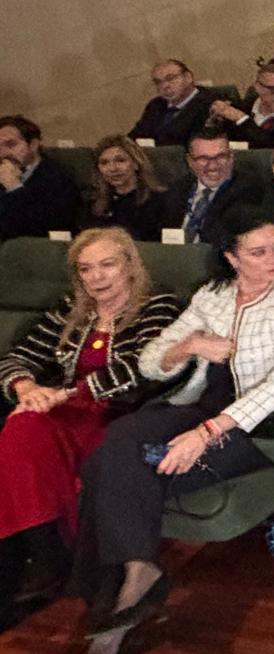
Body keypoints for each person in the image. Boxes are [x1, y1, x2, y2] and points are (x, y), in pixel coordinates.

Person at [66, 211, 274, 654]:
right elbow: (150, 361)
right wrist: (191, 345)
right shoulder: (213, 295)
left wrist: (207, 433)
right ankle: (136, 575)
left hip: (254, 423)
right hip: (198, 405)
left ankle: (108, 606)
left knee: (116, 469)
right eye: (258, 251)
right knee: (115, 442)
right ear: (231, 257)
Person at [0, 230, 180, 602]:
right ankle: (47, 551)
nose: (96, 277)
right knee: (20, 426)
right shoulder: (71, 309)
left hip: (121, 413)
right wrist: (26, 389)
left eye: (107, 265)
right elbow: (17, 357)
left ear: (129, 266)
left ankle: (82, 564)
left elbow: (143, 369)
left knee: (89, 449)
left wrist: (66, 393)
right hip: (64, 409)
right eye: (86, 269)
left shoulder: (158, 306)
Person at [158, 128, 266, 246]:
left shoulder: (248, 190)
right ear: (190, 161)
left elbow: (223, 237)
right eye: (203, 158)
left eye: (220, 157)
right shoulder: (176, 189)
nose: (213, 166)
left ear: (231, 157)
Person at [0, 115, 82, 240]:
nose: (3, 153)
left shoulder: (59, 177)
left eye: (11, 144)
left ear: (33, 144)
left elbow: (45, 230)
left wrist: (14, 188)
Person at [80, 137, 166, 241]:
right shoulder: (92, 204)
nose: (113, 168)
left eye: (120, 160)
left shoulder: (160, 201)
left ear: (136, 163)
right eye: (104, 163)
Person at [208, 62, 274, 148]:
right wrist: (213, 122)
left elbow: (271, 145)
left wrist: (242, 119)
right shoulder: (245, 107)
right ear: (257, 87)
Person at [128, 60, 217, 147]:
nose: (165, 86)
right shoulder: (155, 105)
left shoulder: (210, 104)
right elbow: (133, 137)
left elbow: (192, 146)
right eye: (158, 82)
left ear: (188, 77)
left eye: (170, 78)